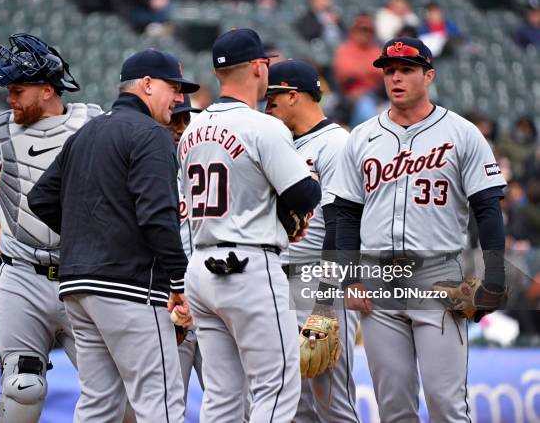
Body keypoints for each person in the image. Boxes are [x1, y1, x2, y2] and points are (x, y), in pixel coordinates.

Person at [332, 37, 507, 422]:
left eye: (407, 70)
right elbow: (344, 215)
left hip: (439, 276)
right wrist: (348, 279)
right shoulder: (362, 137)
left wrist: (493, 278)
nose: (396, 78)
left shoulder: (462, 133)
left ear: (428, 75)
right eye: (389, 70)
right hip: (377, 280)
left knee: (446, 405)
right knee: (394, 407)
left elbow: (487, 210)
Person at [28, 49, 199, 423]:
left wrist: (90, 234)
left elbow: (40, 199)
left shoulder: (87, 133)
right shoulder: (151, 135)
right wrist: (180, 279)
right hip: (128, 287)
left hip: (78, 288)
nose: (178, 98)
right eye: (173, 88)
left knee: (98, 404)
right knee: (162, 404)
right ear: (148, 85)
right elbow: (157, 217)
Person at [0, 33, 101, 423]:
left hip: (83, 275)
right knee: (21, 390)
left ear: (47, 90)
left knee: (116, 395)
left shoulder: (94, 124)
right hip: (23, 277)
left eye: (17, 90)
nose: (9, 99)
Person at [178, 27, 321, 422]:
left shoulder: (190, 130)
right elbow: (305, 197)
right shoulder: (264, 127)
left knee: (222, 396)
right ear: (259, 68)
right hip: (248, 268)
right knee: (275, 389)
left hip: (201, 270)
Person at [264, 59, 360, 422]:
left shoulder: (336, 143)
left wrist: (325, 302)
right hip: (281, 279)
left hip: (319, 280)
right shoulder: (281, 142)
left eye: (272, 98)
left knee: (332, 401)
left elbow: (342, 225)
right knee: (296, 405)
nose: (266, 105)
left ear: (294, 95)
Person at [167, 94, 205, 399]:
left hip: (208, 302)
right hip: (168, 304)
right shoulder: (144, 174)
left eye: (186, 119)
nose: (180, 128)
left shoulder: (209, 170)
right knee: (163, 407)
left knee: (234, 406)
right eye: (173, 120)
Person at [332, 13, 384, 127]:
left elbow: (384, 72)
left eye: (367, 30)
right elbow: (345, 72)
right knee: (366, 108)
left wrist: (362, 69)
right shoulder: (345, 49)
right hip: (349, 97)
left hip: (377, 95)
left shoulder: (376, 49)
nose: (364, 33)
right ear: (353, 31)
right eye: (361, 30)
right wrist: (371, 70)